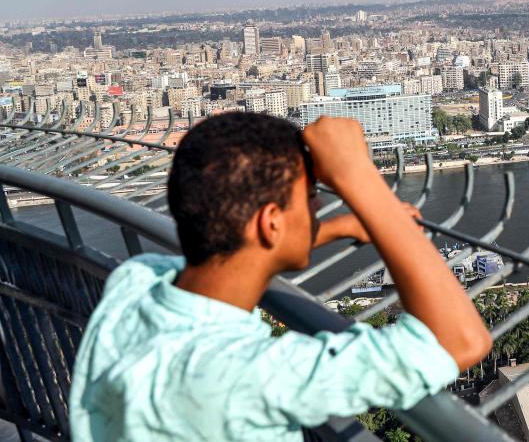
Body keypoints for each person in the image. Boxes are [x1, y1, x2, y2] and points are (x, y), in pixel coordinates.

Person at [69, 112, 492, 441]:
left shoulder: (138, 281)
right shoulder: (243, 376)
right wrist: (359, 179)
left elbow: (242, 252)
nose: (314, 211)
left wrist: (340, 227)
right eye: (309, 201)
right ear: (271, 223)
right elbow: (460, 340)